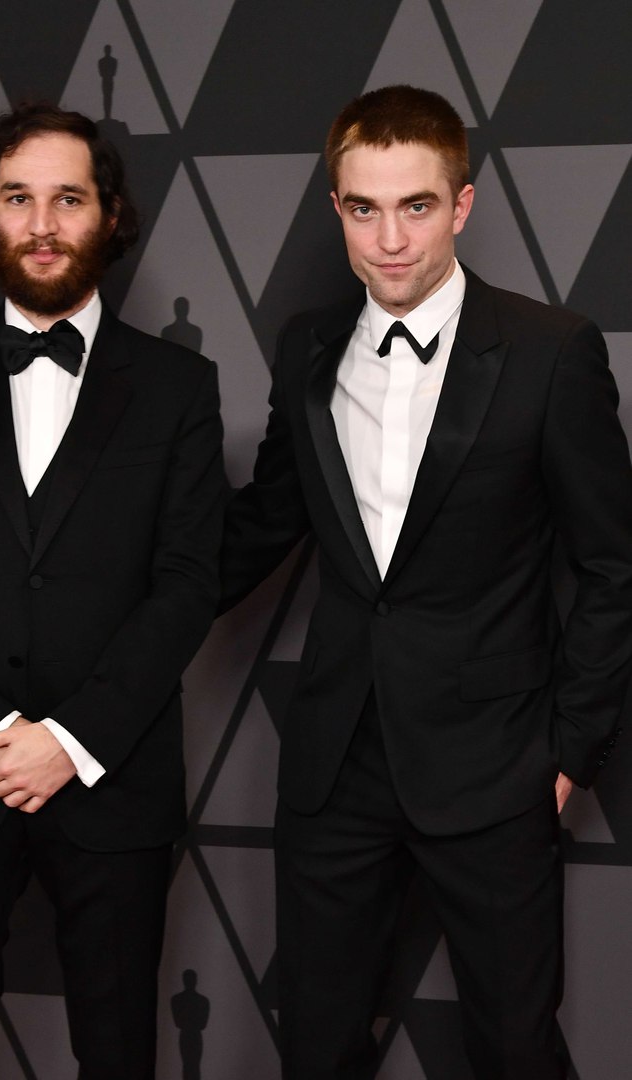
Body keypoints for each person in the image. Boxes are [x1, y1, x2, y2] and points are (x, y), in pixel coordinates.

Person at [219, 84, 632, 1079]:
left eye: (416, 205)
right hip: (334, 767)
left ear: (461, 205)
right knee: (316, 1050)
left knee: (516, 1051)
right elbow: (262, 525)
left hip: (495, 765)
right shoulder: (306, 347)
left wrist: (568, 752)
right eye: (364, 209)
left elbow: (612, 565)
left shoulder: (550, 352)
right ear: (336, 209)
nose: (390, 239)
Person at [0, 101, 224, 1079]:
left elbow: (187, 583)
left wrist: (69, 741)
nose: (43, 223)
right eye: (18, 197)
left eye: (68, 198)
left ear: (110, 214)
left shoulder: (179, 386)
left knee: (119, 1053)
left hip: (114, 781)